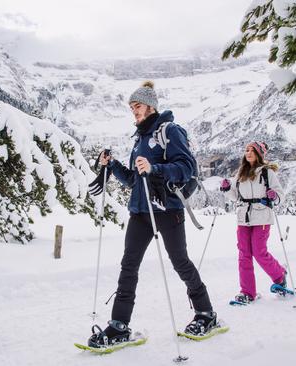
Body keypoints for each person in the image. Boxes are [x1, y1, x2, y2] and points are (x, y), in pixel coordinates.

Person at [87, 81, 218, 348]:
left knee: (180, 262)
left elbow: (186, 167)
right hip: (140, 211)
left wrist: (155, 167)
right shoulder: (140, 138)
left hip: (167, 209)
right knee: (129, 265)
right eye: (131, 107)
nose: (134, 111)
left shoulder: (169, 131)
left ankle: (206, 313)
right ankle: (119, 326)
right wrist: (111, 165)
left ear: (151, 105)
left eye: (137, 106)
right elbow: (136, 180)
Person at [220, 141, 286, 304]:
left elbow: (279, 195)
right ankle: (248, 292)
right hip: (243, 217)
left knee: (259, 251)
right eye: (247, 150)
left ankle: (279, 276)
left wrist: (274, 196)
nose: (248, 152)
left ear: (259, 154)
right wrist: (227, 189)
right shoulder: (240, 173)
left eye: (252, 150)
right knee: (244, 254)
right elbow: (236, 196)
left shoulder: (267, 173)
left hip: (262, 216)